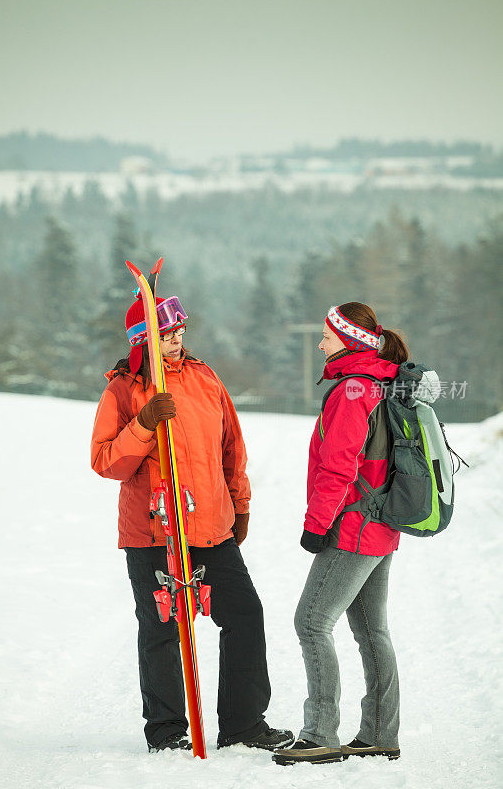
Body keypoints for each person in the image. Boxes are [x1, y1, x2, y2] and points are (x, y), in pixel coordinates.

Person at [91, 290, 293, 753]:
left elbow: (231, 448)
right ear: (143, 339)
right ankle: (166, 732)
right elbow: (105, 461)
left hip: (210, 528)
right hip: (153, 532)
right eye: (167, 334)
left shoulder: (204, 377)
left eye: (181, 331)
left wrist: (240, 506)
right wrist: (143, 423)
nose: (178, 340)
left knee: (245, 614)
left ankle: (244, 726)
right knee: (162, 630)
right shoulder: (123, 389)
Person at [274, 302, 406, 767]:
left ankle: (319, 734)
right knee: (372, 629)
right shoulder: (382, 381)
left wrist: (316, 525)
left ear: (350, 341)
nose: (320, 342)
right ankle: (379, 733)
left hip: (352, 525)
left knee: (311, 622)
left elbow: (339, 465)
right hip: (381, 525)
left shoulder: (353, 389)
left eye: (327, 336)